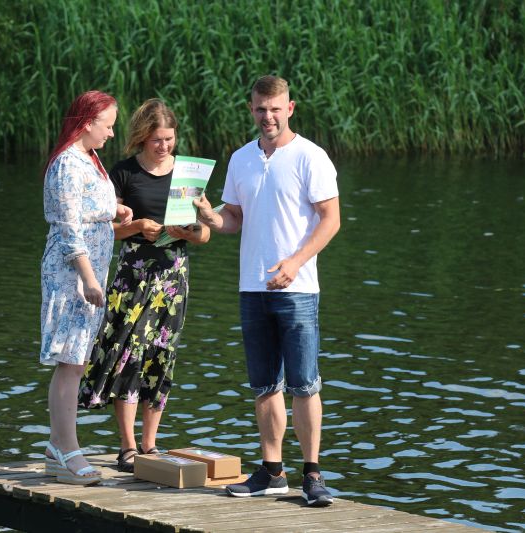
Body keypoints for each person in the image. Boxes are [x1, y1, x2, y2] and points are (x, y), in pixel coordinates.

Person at [194, 75, 340, 506]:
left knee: (305, 385)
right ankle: (272, 472)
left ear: (290, 108)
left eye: (275, 109)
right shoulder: (240, 158)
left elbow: (331, 219)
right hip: (252, 287)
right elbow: (234, 218)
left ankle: (312, 475)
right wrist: (208, 216)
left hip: (298, 289)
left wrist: (295, 263)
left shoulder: (311, 156)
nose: (268, 116)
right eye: (261, 109)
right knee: (264, 385)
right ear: (251, 108)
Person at [78, 98, 210, 472]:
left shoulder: (187, 175)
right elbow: (102, 228)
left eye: (169, 139)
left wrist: (191, 231)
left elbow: (205, 234)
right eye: (156, 140)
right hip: (133, 275)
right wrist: (135, 227)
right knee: (128, 354)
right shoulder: (123, 173)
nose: (164, 146)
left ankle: (150, 445)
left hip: (173, 277)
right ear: (142, 137)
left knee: (161, 355)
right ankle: (128, 446)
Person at [40, 90, 133, 485]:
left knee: (77, 360)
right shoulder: (67, 163)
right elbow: (68, 229)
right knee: (70, 361)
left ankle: (58, 448)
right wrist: (89, 279)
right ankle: (65, 449)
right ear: (87, 122)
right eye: (107, 126)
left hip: (89, 272)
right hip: (72, 276)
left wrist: (115, 210)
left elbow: (87, 210)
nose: (111, 133)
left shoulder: (89, 159)